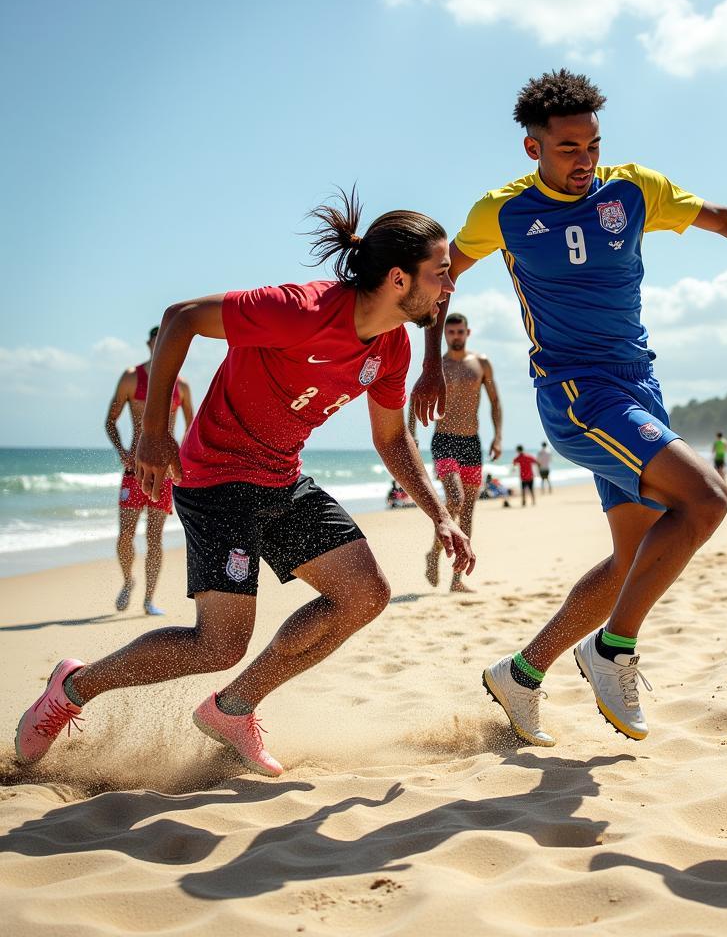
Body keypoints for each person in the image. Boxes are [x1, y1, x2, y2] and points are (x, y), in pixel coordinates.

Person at [410, 68, 727, 745]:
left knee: (630, 563)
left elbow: (723, 219)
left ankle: (522, 673)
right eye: (567, 149)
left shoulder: (634, 188)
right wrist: (428, 363)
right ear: (533, 150)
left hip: (638, 386)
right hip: (576, 393)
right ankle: (614, 650)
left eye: (592, 145)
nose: (584, 160)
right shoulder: (502, 211)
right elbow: (441, 280)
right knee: (705, 499)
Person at [15, 188, 474, 778]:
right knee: (218, 645)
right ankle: (72, 688)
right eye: (441, 274)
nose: (449, 285)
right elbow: (181, 319)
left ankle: (234, 706)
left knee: (365, 593)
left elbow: (391, 439)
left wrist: (438, 513)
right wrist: (155, 432)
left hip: (281, 476)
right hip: (217, 478)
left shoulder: (391, 348)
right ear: (397, 279)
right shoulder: (299, 309)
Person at [105, 326, 194, 615]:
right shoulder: (132, 377)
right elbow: (111, 420)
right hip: (134, 471)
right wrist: (122, 453)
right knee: (125, 537)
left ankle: (148, 600)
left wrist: (182, 461)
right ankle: (128, 580)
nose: (161, 346)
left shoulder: (180, 385)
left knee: (155, 537)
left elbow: (192, 428)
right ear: (149, 343)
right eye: (157, 341)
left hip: (165, 476)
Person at [409, 312, 501, 592]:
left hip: (472, 442)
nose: (456, 336)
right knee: (456, 500)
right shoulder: (438, 365)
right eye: (451, 333)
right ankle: (434, 554)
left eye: (460, 332)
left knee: (469, 513)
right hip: (444, 440)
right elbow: (415, 396)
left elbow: (495, 402)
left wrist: (498, 437)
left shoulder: (481, 363)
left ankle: (457, 581)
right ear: (445, 335)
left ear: (467, 333)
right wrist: (410, 434)